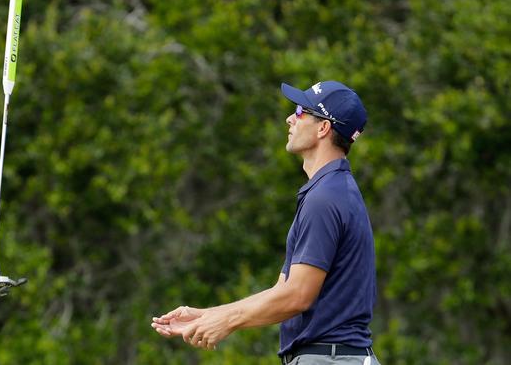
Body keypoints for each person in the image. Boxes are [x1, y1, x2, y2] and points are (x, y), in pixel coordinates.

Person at [151, 80, 380, 364]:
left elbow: (297, 297)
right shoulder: (329, 190)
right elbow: (282, 291)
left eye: (300, 111)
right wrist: (210, 315)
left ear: (323, 128)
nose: (290, 118)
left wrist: (228, 322)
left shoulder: (325, 198)